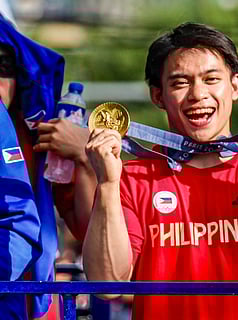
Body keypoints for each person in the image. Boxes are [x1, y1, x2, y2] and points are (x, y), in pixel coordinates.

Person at [82, 22, 238, 320]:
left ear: (235, 85)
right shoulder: (130, 179)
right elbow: (108, 284)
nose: (197, 94)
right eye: (180, 83)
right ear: (158, 97)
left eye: (211, 79)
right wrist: (108, 184)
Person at [0, 14, 93, 319]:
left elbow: (87, 228)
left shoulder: (45, 135)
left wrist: (85, 155)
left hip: (33, 305)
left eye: (2, 68)